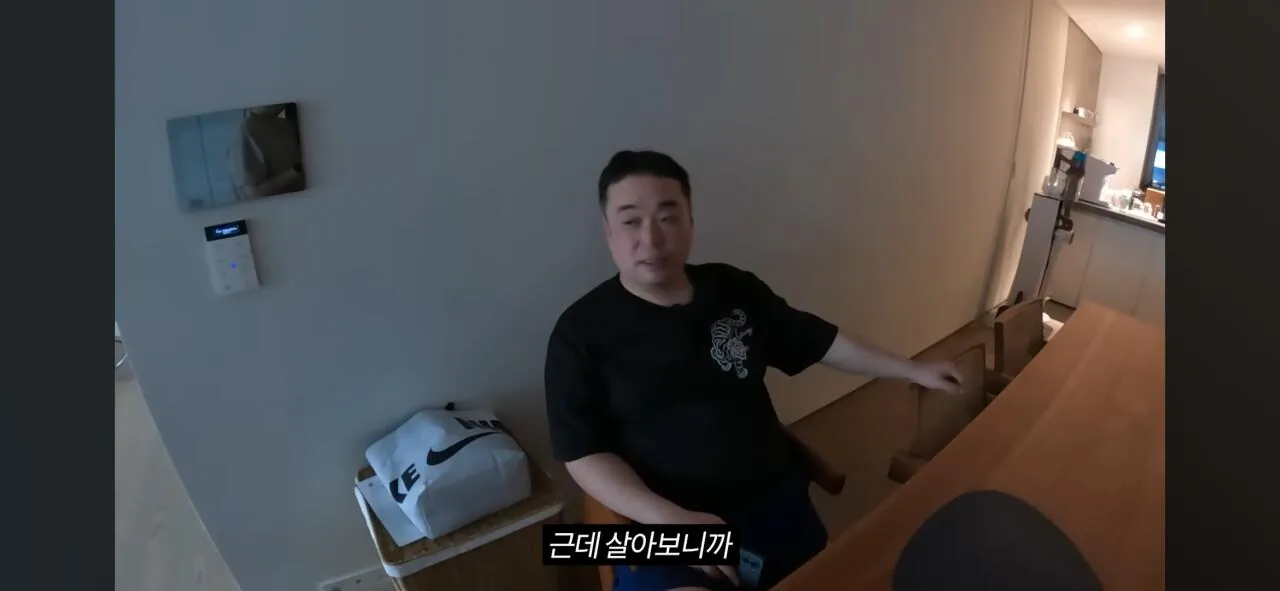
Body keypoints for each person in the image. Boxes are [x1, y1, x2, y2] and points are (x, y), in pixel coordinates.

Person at [544, 150, 962, 591]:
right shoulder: (580, 332)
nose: (651, 238)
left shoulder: (732, 288)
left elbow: (821, 340)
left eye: (668, 217)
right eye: (631, 221)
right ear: (608, 231)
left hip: (771, 498)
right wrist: (670, 521)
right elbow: (581, 452)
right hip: (662, 521)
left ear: (690, 222)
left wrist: (911, 369)